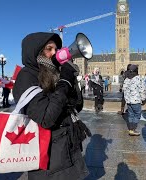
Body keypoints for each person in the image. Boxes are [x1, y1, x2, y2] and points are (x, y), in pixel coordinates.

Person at [12, 32, 90, 179]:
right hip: (48, 157)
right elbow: (46, 118)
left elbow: (77, 106)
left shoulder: (55, 73)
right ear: (36, 51)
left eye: (56, 49)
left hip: (67, 148)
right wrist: (64, 82)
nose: (54, 53)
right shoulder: (27, 77)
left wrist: (71, 81)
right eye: (49, 49)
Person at [123, 64, 146, 136]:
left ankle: (130, 128)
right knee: (137, 115)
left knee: (130, 114)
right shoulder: (139, 78)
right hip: (136, 101)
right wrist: (143, 99)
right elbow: (142, 90)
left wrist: (126, 99)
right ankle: (133, 129)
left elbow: (124, 90)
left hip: (129, 101)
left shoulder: (126, 79)